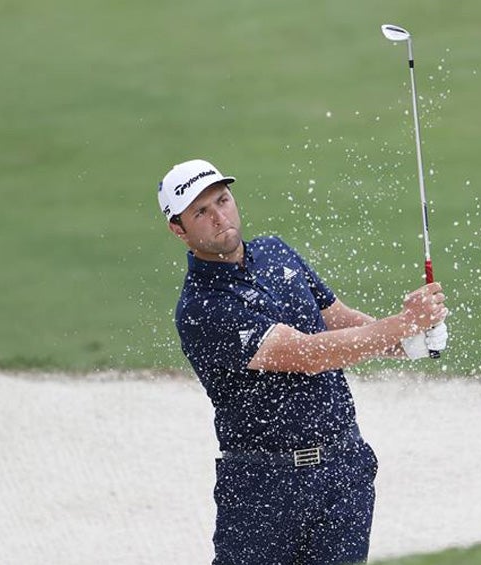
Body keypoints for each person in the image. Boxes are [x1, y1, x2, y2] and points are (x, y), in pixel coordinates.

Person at [157, 158, 449, 565]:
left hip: (342, 471)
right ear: (178, 228)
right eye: (200, 212)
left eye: (222, 200)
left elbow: (337, 319)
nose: (218, 216)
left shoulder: (276, 251)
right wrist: (402, 324)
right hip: (263, 489)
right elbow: (308, 355)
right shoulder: (202, 308)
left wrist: (409, 342)